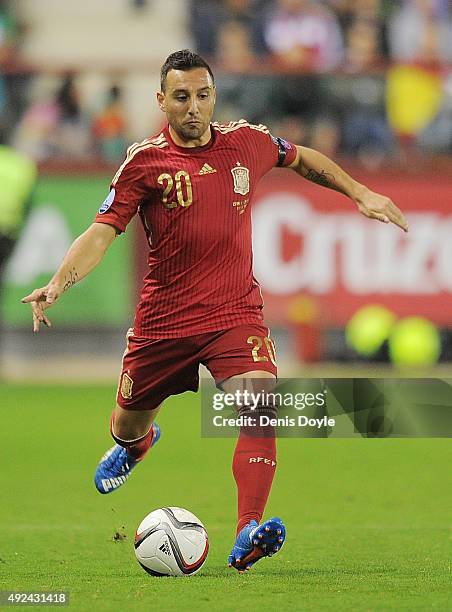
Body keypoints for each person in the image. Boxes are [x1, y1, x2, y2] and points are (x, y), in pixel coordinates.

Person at [22, 49, 408, 574]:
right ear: (162, 100)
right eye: (181, 97)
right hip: (164, 323)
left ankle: (248, 529)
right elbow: (101, 233)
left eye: (203, 95)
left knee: (259, 405)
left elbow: (303, 158)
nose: (194, 107)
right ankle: (138, 446)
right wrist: (58, 282)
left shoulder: (246, 142)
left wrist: (359, 191)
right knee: (126, 425)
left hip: (234, 315)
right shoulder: (144, 162)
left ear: (214, 96)